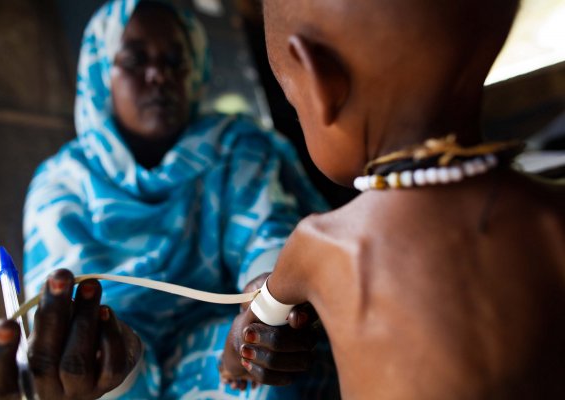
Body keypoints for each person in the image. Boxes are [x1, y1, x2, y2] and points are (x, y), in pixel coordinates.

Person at [0, 0, 340, 398]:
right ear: (101, 73)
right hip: (120, 370)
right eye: (134, 60)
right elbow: (70, 329)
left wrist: (262, 315)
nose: (158, 75)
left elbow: (268, 234)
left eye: (174, 60)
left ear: (196, 70)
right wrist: (102, 370)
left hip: (222, 352)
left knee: (270, 374)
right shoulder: (62, 183)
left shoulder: (236, 146)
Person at [220, 0, 565, 398]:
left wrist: (233, 362)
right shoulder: (551, 216)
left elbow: (254, 326)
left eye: (296, 109)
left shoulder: (321, 244)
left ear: (322, 82)